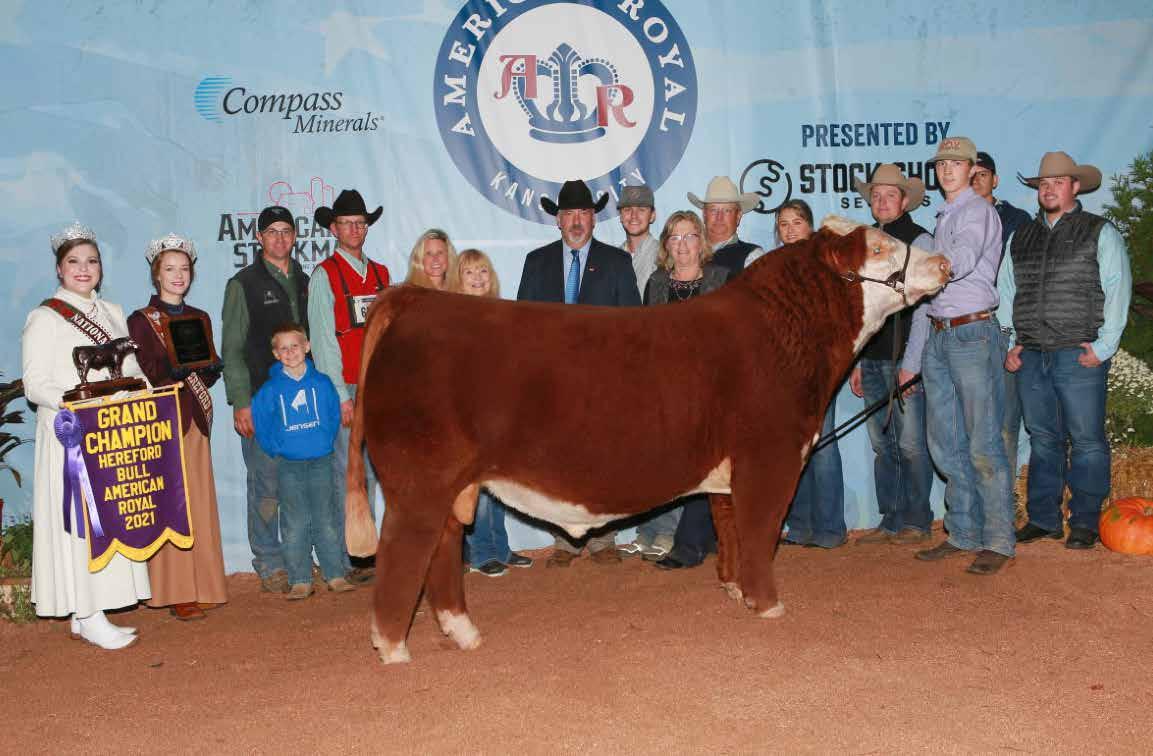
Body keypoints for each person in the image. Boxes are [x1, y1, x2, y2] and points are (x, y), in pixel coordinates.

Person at [22, 222, 150, 649]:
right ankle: (88, 611)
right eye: (74, 261)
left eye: (91, 261)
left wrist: (144, 390)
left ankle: (90, 611)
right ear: (59, 269)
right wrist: (75, 403)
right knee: (80, 521)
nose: (83, 268)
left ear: (101, 268)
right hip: (70, 434)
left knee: (108, 517)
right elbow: (34, 384)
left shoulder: (112, 311)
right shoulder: (44, 317)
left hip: (111, 431)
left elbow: (129, 366)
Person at [1001, 151, 1132, 549]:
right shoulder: (1021, 236)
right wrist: (1011, 342)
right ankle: (1044, 519)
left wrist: (1104, 347)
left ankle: (1085, 522)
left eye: (1058, 182)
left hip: (1078, 352)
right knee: (1043, 437)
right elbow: (1006, 291)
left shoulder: (1099, 231)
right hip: (1031, 352)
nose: (1049, 189)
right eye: (1043, 183)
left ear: (1075, 186)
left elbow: (1117, 288)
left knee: (1087, 439)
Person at [902, 137, 1013, 575]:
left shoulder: (977, 211)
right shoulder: (943, 215)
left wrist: (928, 270)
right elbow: (932, 293)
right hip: (941, 334)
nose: (947, 169)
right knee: (945, 443)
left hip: (971, 333)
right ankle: (964, 531)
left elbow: (963, 257)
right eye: (941, 164)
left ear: (971, 169)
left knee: (983, 441)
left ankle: (999, 539)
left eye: (956, 163)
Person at [516, 179, 641, 567]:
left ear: (593, 218)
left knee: (604, 459)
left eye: (583, 213)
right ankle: (565, 539)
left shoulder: (617, 262)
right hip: (553, 383)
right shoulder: (536, 263)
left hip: (603, 382)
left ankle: (603, 538)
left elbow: (633, 325)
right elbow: (523, 326)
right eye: (568, 213)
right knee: (558, 462)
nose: (576, 221)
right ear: (558, 220)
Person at [127, 234, 228, 620]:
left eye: (184, 269)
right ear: (157, 274)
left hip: (194, 418)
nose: (178, 275)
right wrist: (171, 371)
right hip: (163, 418)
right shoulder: (141, 321)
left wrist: (211, 369)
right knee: (172, 503)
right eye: (170, 269)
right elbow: (144, 372)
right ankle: (176, 590)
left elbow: (206, 368)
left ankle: (205, 583)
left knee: (198, 499)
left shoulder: (199, 317)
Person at [221, 205, 309, 593]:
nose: (279, 238)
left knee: (298, 481)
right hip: (262, 400)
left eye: (285, 231)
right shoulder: (243, 284)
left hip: (301, 400)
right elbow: (232, 348)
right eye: (271, 231)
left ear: (295, 236)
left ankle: (296, 555)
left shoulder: (304, 280)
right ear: (259, 238)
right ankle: (270, 561)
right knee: (266, 483)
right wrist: (242, 401)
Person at [848, 165, 936, 545]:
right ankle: (892, 517)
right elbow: (859, 306)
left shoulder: (921, 240)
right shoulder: (865, 241)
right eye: (876, 195)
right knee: (883, 444)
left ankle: (917, 518)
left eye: (889, 195)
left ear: (904, 201)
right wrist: (855, 359)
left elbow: (926, 307)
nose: (882, 201)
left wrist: (912, 364)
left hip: (904, 356)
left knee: (911, 443)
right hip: (871, 356)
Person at [639, 210, 731, 570]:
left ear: (701, 241)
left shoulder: (722, 279)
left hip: (712, 388)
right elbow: (647, 339)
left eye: (690, 236)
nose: (682, 245)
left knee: (703, 465)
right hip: (668, 390)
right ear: (666, 245)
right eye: (674, 237)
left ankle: (688, 545)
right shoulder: (657, 283)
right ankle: (707, 537)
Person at [308, 189, 390, 585]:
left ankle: (366, 550)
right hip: (346, 387)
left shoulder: (382, 275)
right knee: (347, 472)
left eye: (360, 223)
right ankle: (347, 555)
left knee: (373, 471)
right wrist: (340, 395)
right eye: (347, 223)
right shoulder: (324, 275)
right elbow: (324, 341)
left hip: (379, 387)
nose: (355, 229)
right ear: (334, 229)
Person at [251, 323, 355, 599]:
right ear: (276, 354)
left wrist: (323, 441)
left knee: (326, 518)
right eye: (283, 349)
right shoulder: (271, 389)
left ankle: (335, 573)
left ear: (307, 347)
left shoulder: (322, 383)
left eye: (295, 346)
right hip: (289, 465)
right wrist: (277, 447)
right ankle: (300, 578)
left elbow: (332, 415)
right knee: (295, 521)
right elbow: (261, 420)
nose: (290, 352)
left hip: (321, 461)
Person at [449, 249, 534, 577]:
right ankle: (482, 553)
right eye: (469, 272)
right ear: (459, 279)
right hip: (470, 413)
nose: (477, 278)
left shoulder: (501, 314)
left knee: (498, 484)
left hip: (499, 412)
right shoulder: (455, 317)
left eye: (483, 271)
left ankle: (501, 548)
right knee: (478, 485)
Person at [613, 184, 680, 560]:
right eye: (627, 209)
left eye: (641, 209)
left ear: (653, 215)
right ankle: (646, 529)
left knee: (666, 450)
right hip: (626, 366)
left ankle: (667, 531)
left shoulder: (664, 256)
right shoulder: (612, 256)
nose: (634, 214)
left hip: (659, 362)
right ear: (620, 216)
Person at [775, 200, 847, 549]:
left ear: (810, 227)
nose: (790, 230)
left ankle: (831, 528)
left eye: (797, 222)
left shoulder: (826, 267)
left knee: (824, 445)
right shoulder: (774, 269)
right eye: (784, 224)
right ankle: (800, 525)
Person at [973, 151, 1032, 475]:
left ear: (995, 180)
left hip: (1004, 325)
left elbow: (1024, 278)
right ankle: (979, 496)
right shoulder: (951, 219)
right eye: (970, 175)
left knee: (1007, 422)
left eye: (982, 175)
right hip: (967, 329)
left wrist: (1017, 333)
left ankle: (1004, 495)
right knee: (971, 422)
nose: (976, 180)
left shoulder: (1017, 220)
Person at [687, 176, 766, 278]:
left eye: (727, 210)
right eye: (713, 210)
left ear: (738, 216)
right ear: (704, 214)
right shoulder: (685, 251)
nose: (719, 217)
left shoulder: (752, 257)